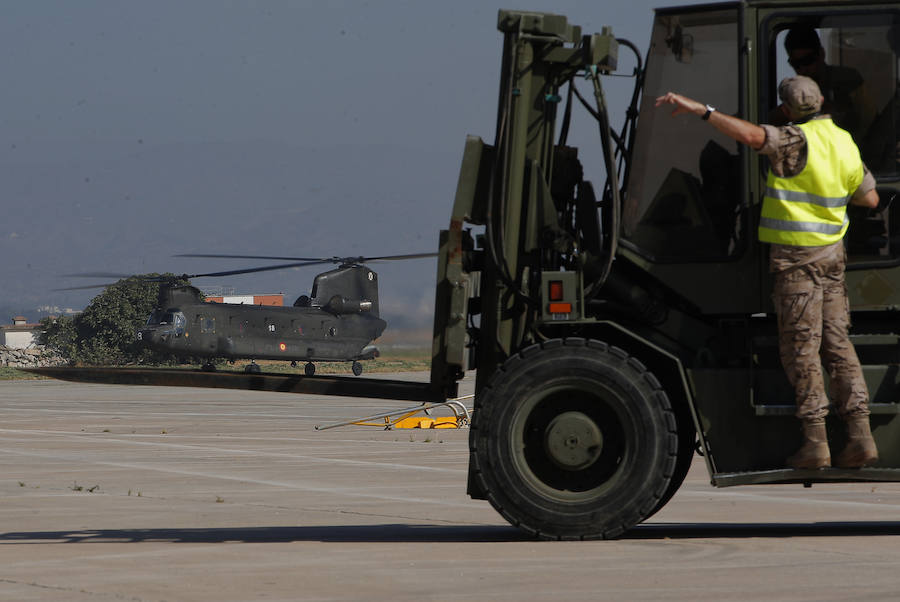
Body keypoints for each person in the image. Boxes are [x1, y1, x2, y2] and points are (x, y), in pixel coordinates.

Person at [656, 76, 880, 470]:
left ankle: (816, 442)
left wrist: (703, 111)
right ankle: (860, 436)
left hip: (799, 263)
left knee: (802, 349)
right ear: (824, 100)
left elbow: (754, 137)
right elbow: (870, 197)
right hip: (833, 259)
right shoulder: (843, 140)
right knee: (839, 346)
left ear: (788, 110)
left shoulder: (795, 140)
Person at [769, 26, 877, 146]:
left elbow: (870, 121)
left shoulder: (848, 80)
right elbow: (773, 120)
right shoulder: (797, 91)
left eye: (808, 60)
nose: (804, 69)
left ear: (821, 54)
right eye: (796, 64)